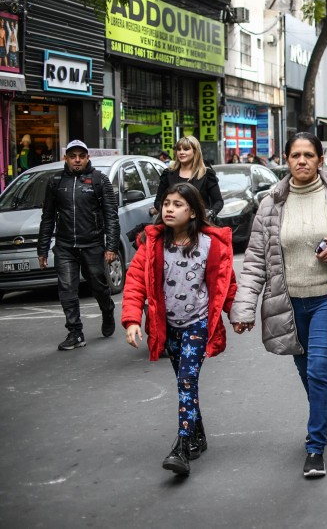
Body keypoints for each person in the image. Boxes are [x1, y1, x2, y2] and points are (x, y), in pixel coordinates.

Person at [230, 132, 327, 479]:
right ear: (287, 159)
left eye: (309, 155)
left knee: (319, 371)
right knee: (307, 372)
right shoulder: (271, 203)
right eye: (296, 155)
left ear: (320, 160)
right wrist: (244, 308)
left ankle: (314, 447)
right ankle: (322, 413)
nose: (302, 161)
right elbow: (254, 262)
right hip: (288, 304)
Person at [121, 183, 237, 476]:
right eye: (167, 203)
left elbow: (226, 284)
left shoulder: (211, 245)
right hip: (168, 327)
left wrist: (236, 315)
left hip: (197, 324)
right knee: (185, 383)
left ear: (194, 212)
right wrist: (132, 319)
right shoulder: (153, 244)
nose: (169, 209)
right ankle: (198, 434)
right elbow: (135, 282)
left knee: (187, 379)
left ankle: (182, 446)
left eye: (177, 204)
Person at [38, 140, 121, 351]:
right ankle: (75, 332)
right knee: (67, 288)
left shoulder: (99, 180)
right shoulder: (55, 181)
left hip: (92, 245)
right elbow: (47, 217)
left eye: (81, 156)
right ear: (65, 158)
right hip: (65, 246)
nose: (77, 160)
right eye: (72, 156)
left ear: (87, 158)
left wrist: (110, 246)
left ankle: (107, 310)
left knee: (98, 286)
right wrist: (43, 248)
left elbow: (111, 216)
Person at [151, 136, 224, 221]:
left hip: (200, 224)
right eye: (179, 149)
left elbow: (218, 201)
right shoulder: (168, 174)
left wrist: (210, 213)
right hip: (174, 226)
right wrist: (167, 212)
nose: (181, 152)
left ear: (195, 151)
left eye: (186, 149)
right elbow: (158, 201)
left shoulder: (207, 174)